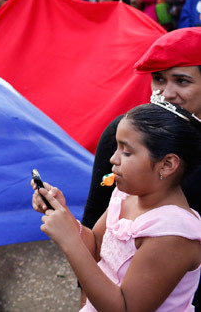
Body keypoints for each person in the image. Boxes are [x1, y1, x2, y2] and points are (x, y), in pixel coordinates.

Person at [33, 100, 201, 311]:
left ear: (167, 164)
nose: (113, 159)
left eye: (127, 152)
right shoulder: (125, 195)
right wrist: (61, 213)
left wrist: (69, 241)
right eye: (116, 147)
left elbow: (124, 307)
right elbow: (95, 247)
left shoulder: (173, 234)